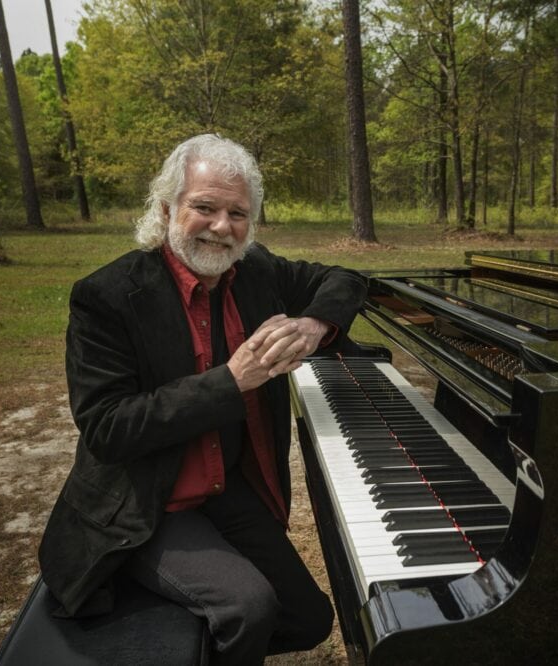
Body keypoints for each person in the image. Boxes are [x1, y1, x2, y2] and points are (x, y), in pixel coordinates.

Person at [38, 134, 366, 664]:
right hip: (144, 505)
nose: (222, 226)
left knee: (309, 618)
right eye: (205, 207)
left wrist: (314, 322)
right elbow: (106, 428)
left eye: (238, 213)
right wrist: (231, 381)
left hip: (224, 489)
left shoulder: (254, 270)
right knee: (250, 607)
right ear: (168, 208)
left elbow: (344, 277)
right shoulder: (107, 295)